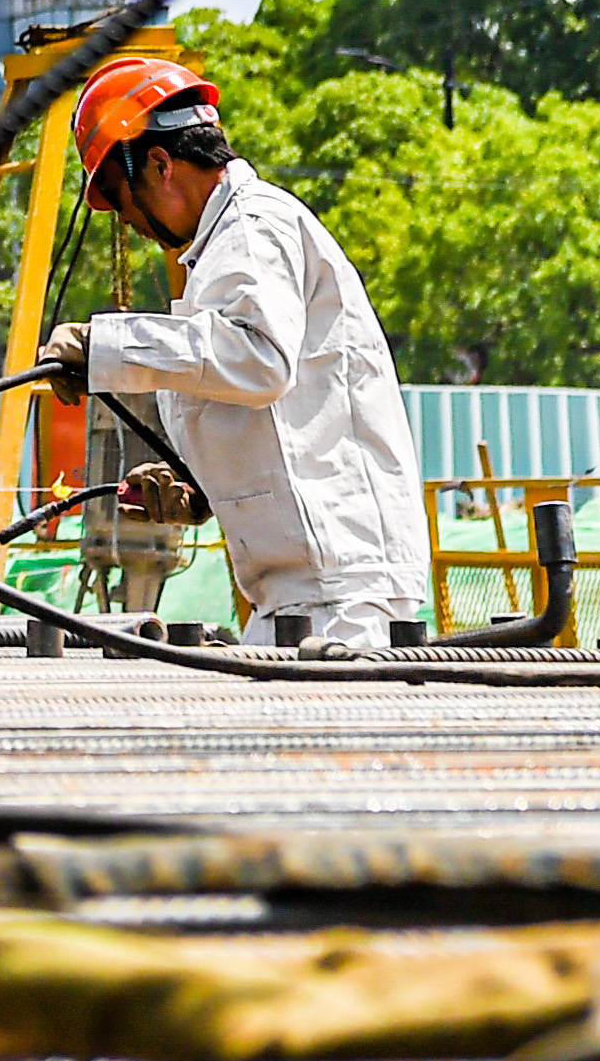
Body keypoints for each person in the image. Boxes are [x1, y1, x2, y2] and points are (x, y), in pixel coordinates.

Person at [36, 48, 426, 653]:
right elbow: (266, 411)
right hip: (299, 593)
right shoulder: (223, 253)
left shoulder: (255, 226)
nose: (127, 221)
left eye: (120, 198)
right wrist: (199, 490)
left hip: (338, 594)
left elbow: (258, 360)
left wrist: (101, 345)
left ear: (161, 164)